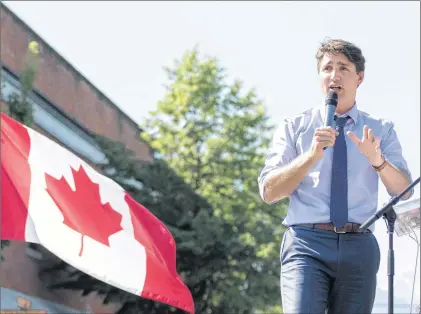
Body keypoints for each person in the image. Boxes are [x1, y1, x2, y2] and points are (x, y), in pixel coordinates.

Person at [258, 38, 414, 314]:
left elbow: (404, 190)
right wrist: (310, 156)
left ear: (359, 78)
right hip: (307, 244)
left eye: (343, 68)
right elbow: (269, 191)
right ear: (320, 76)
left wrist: (378, 162)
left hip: (359, 245)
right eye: (327, 68)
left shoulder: (381, 129)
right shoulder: (295, 127)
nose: (334, 75)